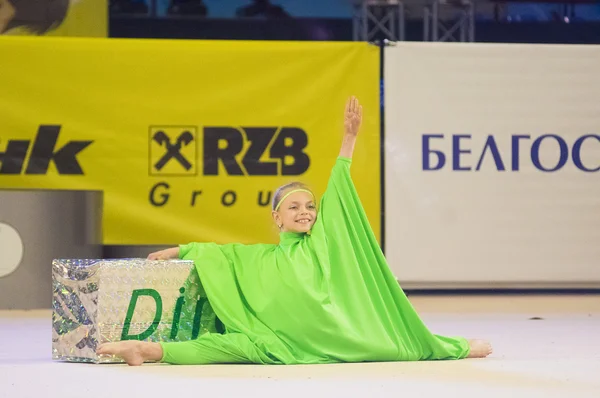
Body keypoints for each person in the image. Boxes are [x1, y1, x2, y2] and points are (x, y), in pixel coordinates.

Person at [97, 96, 492, 366]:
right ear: (277, 218)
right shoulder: (263, 257)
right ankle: (145, 350)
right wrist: (180, 250)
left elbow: (338, 194)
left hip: (331, 338)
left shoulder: (322, 242)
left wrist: (349, 141)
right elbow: (223, 253)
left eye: (309, 207)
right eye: (294, 207)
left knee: (393, 344)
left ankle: (449, 345)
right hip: (280, 344)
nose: (305, 213)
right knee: (225, 346)